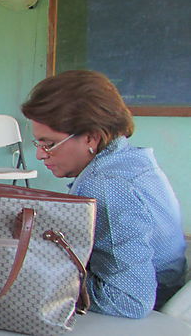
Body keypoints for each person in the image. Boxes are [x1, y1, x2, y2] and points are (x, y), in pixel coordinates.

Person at [21, 70, 186, 319]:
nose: (40, 155)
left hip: (149, 311)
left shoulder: (105, 184)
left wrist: (32, 282)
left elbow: (128, 302)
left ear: (92, 137)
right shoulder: (130, 160)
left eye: (49, 144)